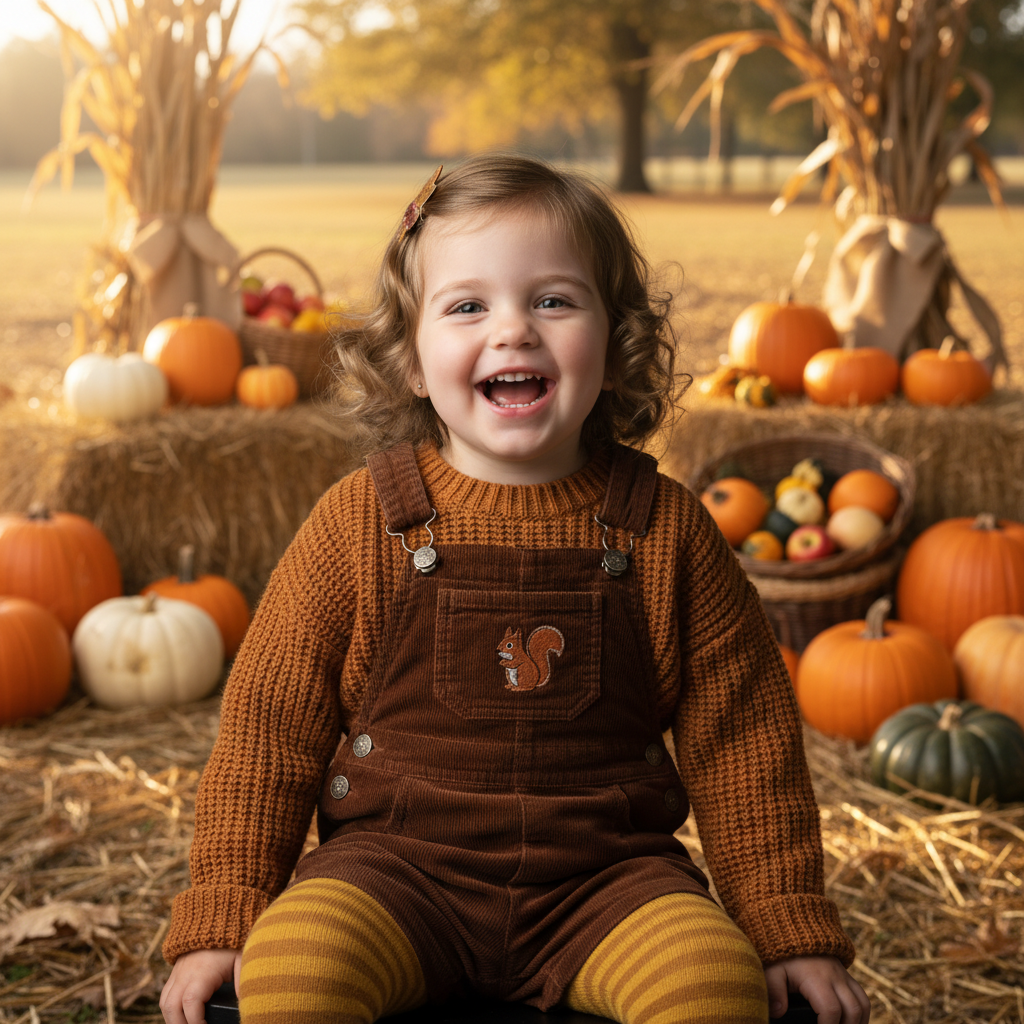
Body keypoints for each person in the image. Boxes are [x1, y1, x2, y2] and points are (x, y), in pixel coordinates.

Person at [159, 155, 869, 1024]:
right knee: (296, 973)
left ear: (616, 348)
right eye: (467, 306)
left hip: (607, 884)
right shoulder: (362, 524)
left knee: (711, 989)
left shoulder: (665, 531)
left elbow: (745, 742)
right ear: (413, 361)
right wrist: (225, 911)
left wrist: (787, 926)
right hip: (393, 873)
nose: (514, 331)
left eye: (554, 300)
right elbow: (271, 725)